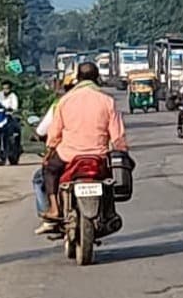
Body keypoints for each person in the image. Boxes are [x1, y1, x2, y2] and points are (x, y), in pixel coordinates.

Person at [39, 61, 127, 236]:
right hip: (99, 155)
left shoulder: (65, 101)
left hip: (68, 155)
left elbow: (54, 135)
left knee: (49, 171)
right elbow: (117, 135)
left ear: (78, 78)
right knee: (109, 178)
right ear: (97, 78)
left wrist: (48, 153)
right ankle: (109, 211)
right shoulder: (107, 101)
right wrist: (122, 152)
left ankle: (55, 209)